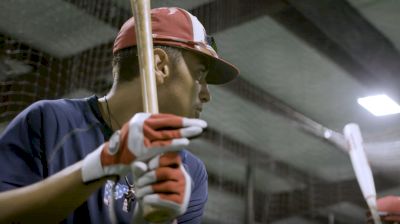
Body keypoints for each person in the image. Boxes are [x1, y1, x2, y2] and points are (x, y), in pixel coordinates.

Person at [0, 7, 239, 224]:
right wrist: (102, 163)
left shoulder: (189, 172)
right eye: (199, 76)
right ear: (160, 65)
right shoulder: (53, 121)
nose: (207, 94)